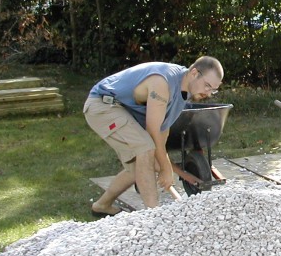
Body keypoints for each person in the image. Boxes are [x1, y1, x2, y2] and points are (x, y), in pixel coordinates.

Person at [84, 56, 224, 216]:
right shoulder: (163, 83)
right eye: (207, 85)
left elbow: (162, 131)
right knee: (145, 149)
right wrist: (165, 167)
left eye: (213, 89)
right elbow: (152, 131)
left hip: (121, 110)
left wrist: (162, 163)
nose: (209, 93)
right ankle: (154, 216)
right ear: (194, 73)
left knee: (140, 167)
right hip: (103, 105)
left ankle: (102, 205)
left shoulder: (182, 95)